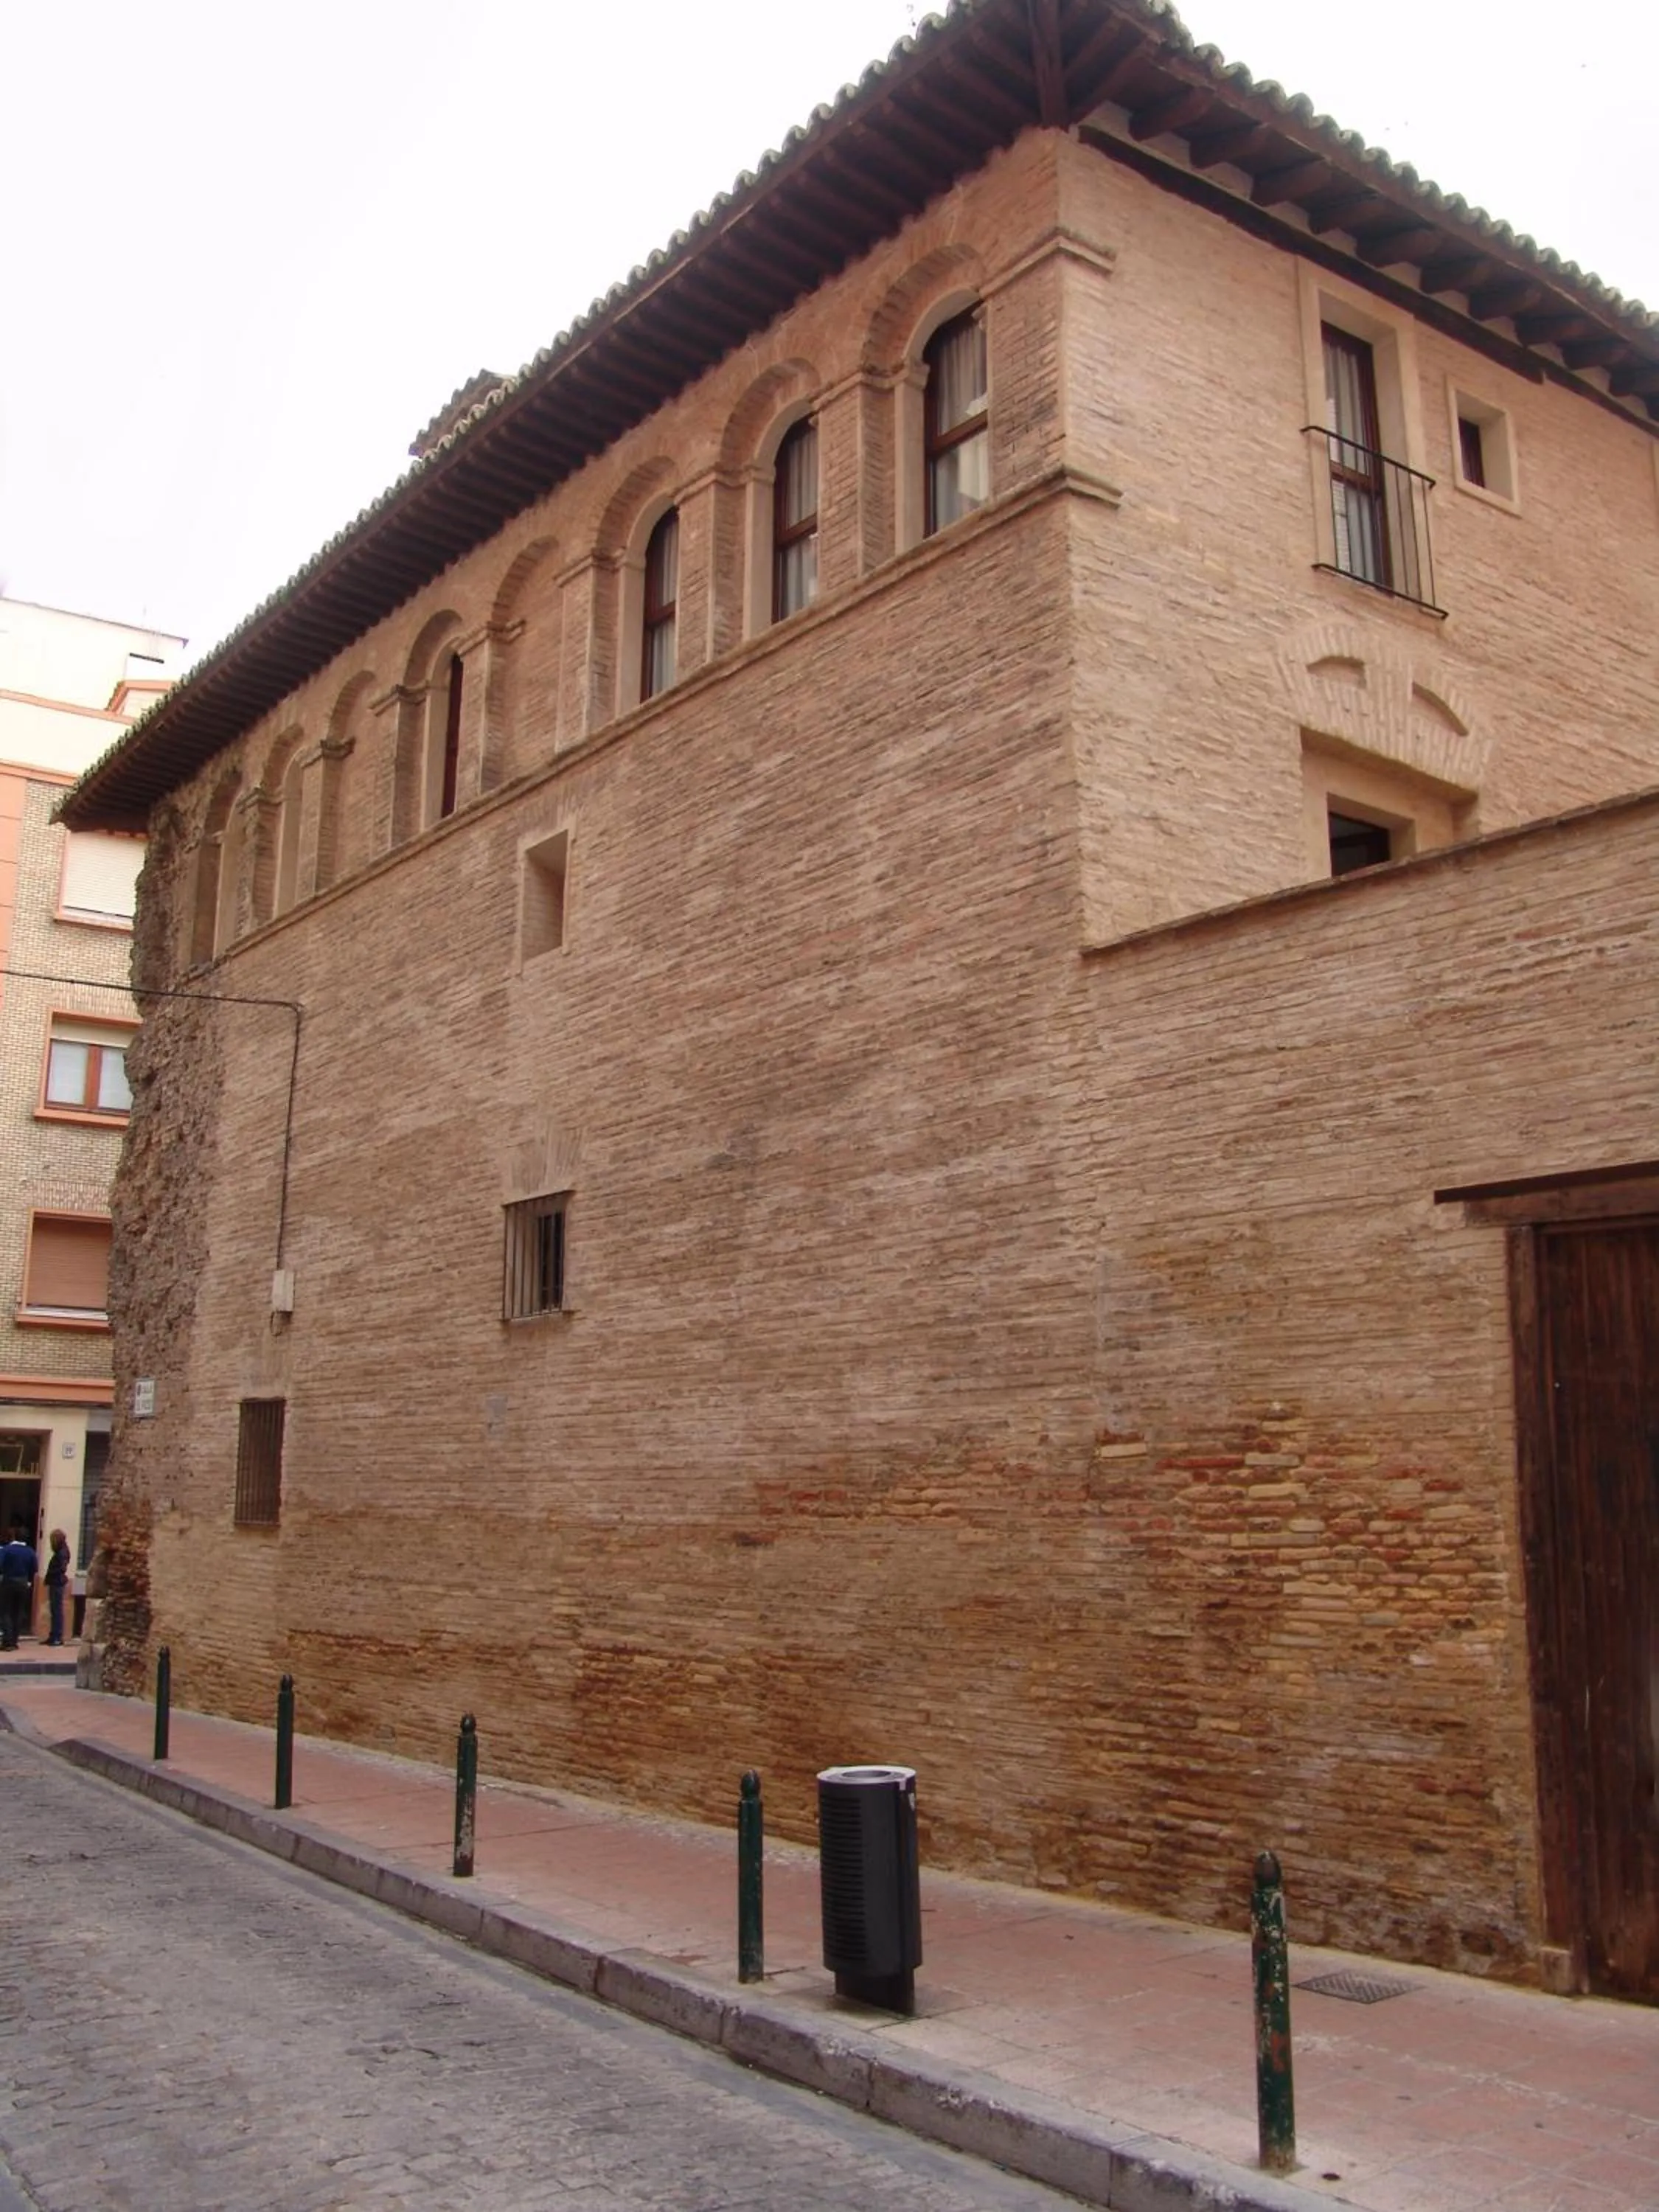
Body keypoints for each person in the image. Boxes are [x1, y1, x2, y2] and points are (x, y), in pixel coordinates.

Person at [0, 1520, 37, 1651]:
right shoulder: (30, 1552)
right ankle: (15, 1640)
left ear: (14, 1536)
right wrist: (29, 1581)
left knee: (6, 1612)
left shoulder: (7, 1550)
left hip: (9, 1581)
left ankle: (8, 1641)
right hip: (23, 1583)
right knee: (18, 1612)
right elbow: (35, 1568)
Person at [42, 1528, 71, 1647]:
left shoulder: (62, 1553)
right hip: (55, 1582)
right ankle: (53, 1635)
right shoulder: (61, 1551)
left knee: (57, 1611)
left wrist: (51, 1575)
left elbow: (61, 1568)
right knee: (54, 1611)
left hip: (57, 1583)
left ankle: (57, 1637)